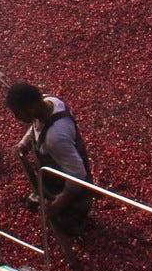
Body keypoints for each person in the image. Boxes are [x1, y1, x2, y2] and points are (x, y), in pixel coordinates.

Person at [6, 82, 95, 239]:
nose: (16, 117)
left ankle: (76, 222)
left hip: (68, 184)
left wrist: (57, 205)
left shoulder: (56, 138)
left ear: (31, 109)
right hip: (53, 177)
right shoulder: (49, 102)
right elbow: (36, 127)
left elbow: (78, 176)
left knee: (69, 221)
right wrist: (24, 144)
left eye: (17, 112)